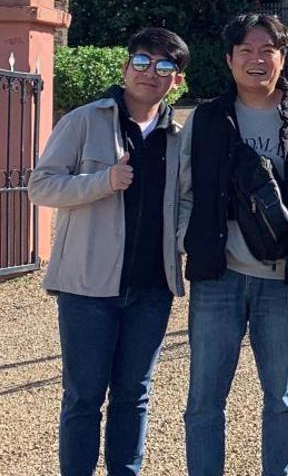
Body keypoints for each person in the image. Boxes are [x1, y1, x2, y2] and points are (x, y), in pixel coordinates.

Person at [178, 14, 288, 476]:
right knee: (204, 400)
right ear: (229, 59)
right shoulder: (206, 119)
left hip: (286, 280)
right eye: (246, 50)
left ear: (282, 58)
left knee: (284, 400)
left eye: (267, 50)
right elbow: (183, 191)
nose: (257, 59)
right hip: (219, 276)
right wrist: (190, 238)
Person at [31, 28, 190, 476]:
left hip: (152, 288)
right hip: (87, 288)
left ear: (177, 80)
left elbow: (187, 201)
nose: (150, 72)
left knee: (134, 396)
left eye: (164, 66)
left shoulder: (179, 137)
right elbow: (41, 187)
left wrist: (183, 241)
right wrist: (103, 181)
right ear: (125, 67)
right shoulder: (84, 120)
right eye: (141, 61)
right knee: (83, 397)